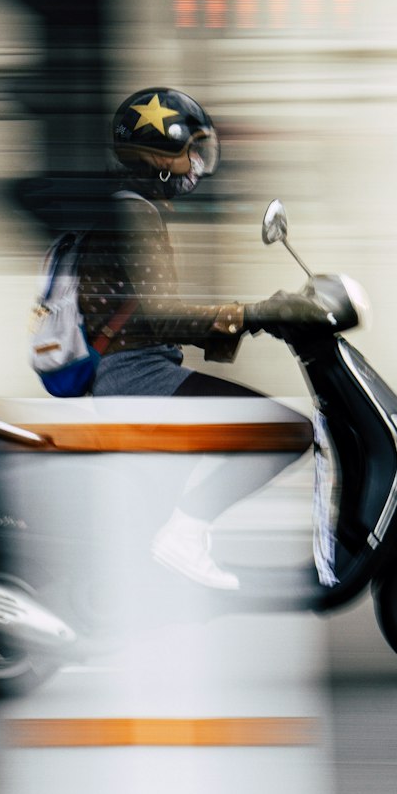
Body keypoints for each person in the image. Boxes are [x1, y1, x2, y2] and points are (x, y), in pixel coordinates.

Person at [76, 87, 323, 590]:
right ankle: (185, 536)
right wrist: (257, 313)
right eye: (189, 151)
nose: (195, 165)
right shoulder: (134, 214)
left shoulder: (128, 208)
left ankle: (167, 550)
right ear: (157, 155)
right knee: (285, 431)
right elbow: (159, 316)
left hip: (136, 374)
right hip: (139, 380)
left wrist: (256, 316)